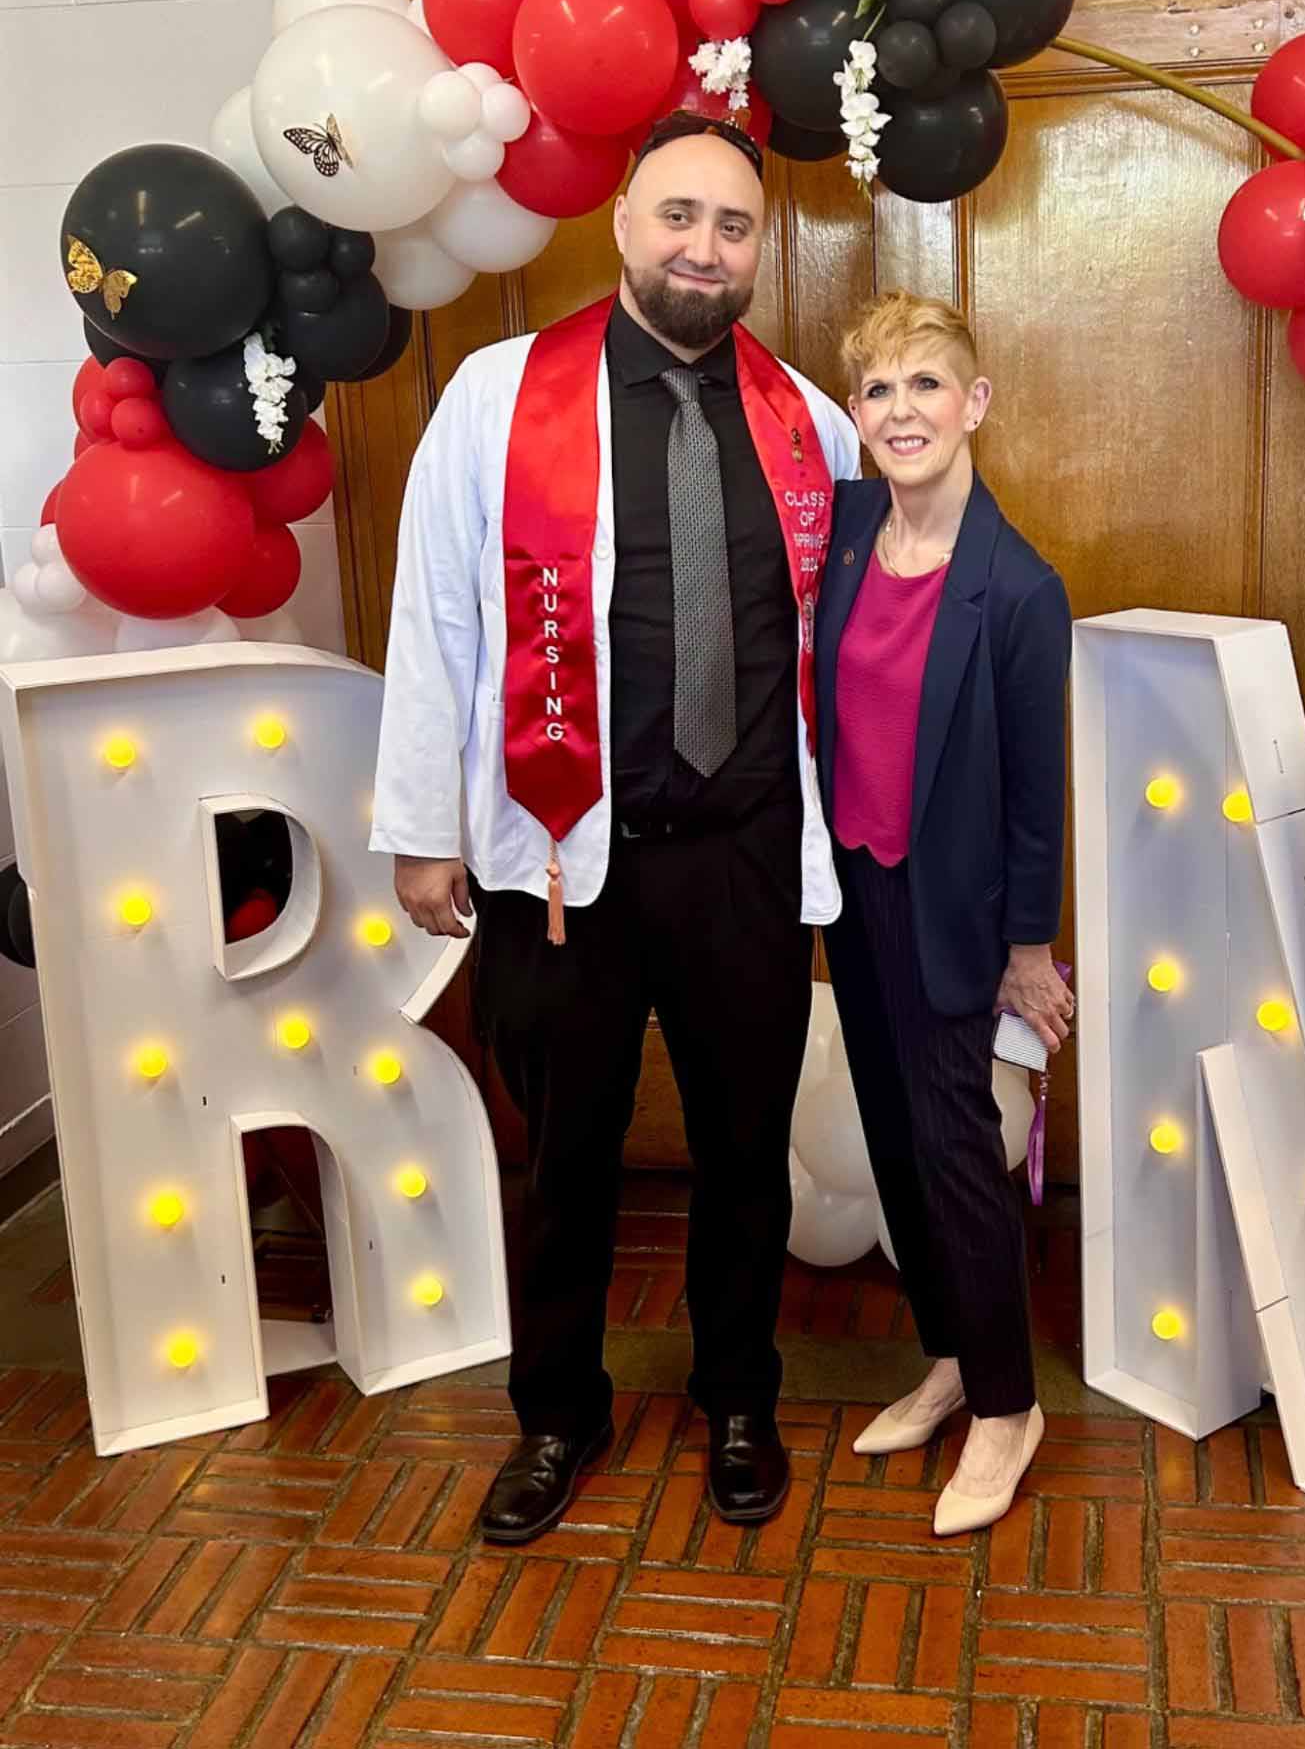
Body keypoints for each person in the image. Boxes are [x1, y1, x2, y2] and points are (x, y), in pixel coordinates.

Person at [372, 113, 858, 1545]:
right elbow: (437, 617)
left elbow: (842, 643)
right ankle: (557, 1412)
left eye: (733, 225)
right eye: (678, 216)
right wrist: (422, 826)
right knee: (565, 1153)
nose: (703, 247)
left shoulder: (807, 420)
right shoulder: (498, 395)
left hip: (746, 854)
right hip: (557, 856)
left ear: (760, 247)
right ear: (622, 224)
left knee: (744, 1146)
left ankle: (741, 1393)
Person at [814, 291, 1072, 1537]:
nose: (901, 410)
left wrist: (1029, 947)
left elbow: (1036, 791)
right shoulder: (851, 528)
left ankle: (1011, 1405)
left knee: (958, 1146)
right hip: (855, 890)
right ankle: (951, 1354)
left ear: (974, 405)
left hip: (955, 907)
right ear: (856, 418)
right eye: (878, 390)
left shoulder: (1020, 591)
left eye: (927, 386)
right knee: (895, 1137)